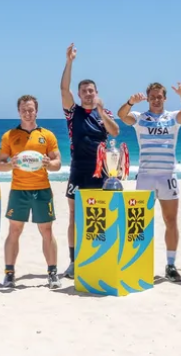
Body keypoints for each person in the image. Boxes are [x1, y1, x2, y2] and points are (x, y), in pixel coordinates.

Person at [117, 81, 181, 282]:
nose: (156, 100)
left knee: (170, 221)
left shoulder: (173, 117)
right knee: (139, 221)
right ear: (148, 99)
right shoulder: (140, 118)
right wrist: (130, 102)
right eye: (152, 97)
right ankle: (138, 262)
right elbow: (122, 116)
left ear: (165, 98)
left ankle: (170, 265)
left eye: (159, 97)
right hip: (145, 177)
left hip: (168, 176)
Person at [59, 43, 120, 279]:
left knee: (99, 213)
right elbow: (63, 88)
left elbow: (115, 132)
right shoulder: (72, 112)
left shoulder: (104, 113)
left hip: (101, 171)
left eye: (91, 91)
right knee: (74, 215)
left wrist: (101, 111)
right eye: (84, 91)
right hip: (78, 170)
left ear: (96, 93)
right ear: (79, 94)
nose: (88, 93)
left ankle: (99, 256)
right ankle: (74, 262)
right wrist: (69, 61)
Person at [0, 95, 63, 289]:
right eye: (24, 110)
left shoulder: (47, 135)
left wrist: (48, 163)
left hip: (42, 190)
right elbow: (0, 165)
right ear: (19, 112)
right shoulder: (9, 136)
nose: (27, 113)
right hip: (19, 191)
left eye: (31, 109)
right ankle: (9, 274)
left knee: (47, 231)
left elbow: (58, 163)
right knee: (14, 231)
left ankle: (52, 274)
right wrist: (11, 164)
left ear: (36, 111)